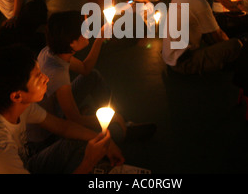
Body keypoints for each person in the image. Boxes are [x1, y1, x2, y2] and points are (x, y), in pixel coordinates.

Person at [0, 45, 124, 174]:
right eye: (38, 77)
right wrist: (88, 161)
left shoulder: (10, 103)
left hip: (21, 164)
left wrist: (104, 141)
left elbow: (63, 127)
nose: (46, 78)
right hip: (9, 165)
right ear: (17, 95)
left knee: (76, 142)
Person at [27, 11, 156, 145]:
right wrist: (113, 118)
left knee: (92, 76)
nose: (89, 30)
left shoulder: (51, 51)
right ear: (72, 42)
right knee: (115, 131)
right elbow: (75, 120)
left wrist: (99, 39)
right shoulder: (57, 74)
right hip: (49, 134)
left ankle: (122, 122)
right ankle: (122, 129)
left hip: (57, 108)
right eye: (84, 29)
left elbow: (85, 69)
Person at [162, 0, 243, 75]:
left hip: (170, 56)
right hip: (184, 63)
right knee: (235, 45)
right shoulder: (198, 1)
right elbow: (218, 37)